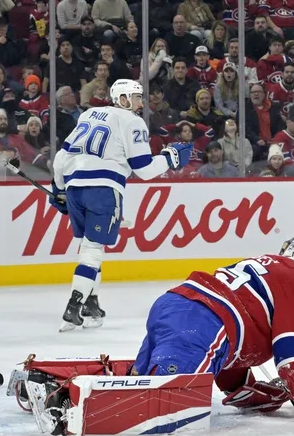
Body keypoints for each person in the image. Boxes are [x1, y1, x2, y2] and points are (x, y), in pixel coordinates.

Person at [131, 235, 294, 424]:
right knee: (163, 409)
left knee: (132, 385)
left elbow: (230, 342)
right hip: (204, 321)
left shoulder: (258, 264)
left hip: (173, 304)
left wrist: (242, 389)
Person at [50, 79, 192, 332]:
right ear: (123, 99)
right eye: (136, 97)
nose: (141, 101)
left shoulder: (90, 114)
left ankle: (91, 303)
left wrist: (59, 189)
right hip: (103, 189)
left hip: (75, 188)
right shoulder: (133, 121)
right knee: (93, 249)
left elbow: (62, 156)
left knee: (89, 247)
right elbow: (145, 170)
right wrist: (170, 159)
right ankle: (74, 305)